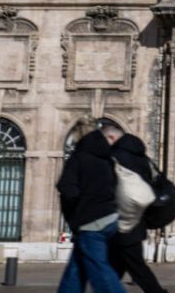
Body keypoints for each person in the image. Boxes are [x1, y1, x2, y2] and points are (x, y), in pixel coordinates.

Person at [56, 118, 126, 293]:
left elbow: (67, 189)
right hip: (111, 218)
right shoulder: (109, 159)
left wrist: (76, 213)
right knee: (76, 270)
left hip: (91, 221)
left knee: (99, 271)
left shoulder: (79, 157)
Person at [101, 124, 168, 293]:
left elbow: (110, 188)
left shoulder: (116, 157)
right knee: (119, 266)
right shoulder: (142, 157)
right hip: (137, 219)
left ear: (111, 138)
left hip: (123, 222)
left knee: (136, 268)